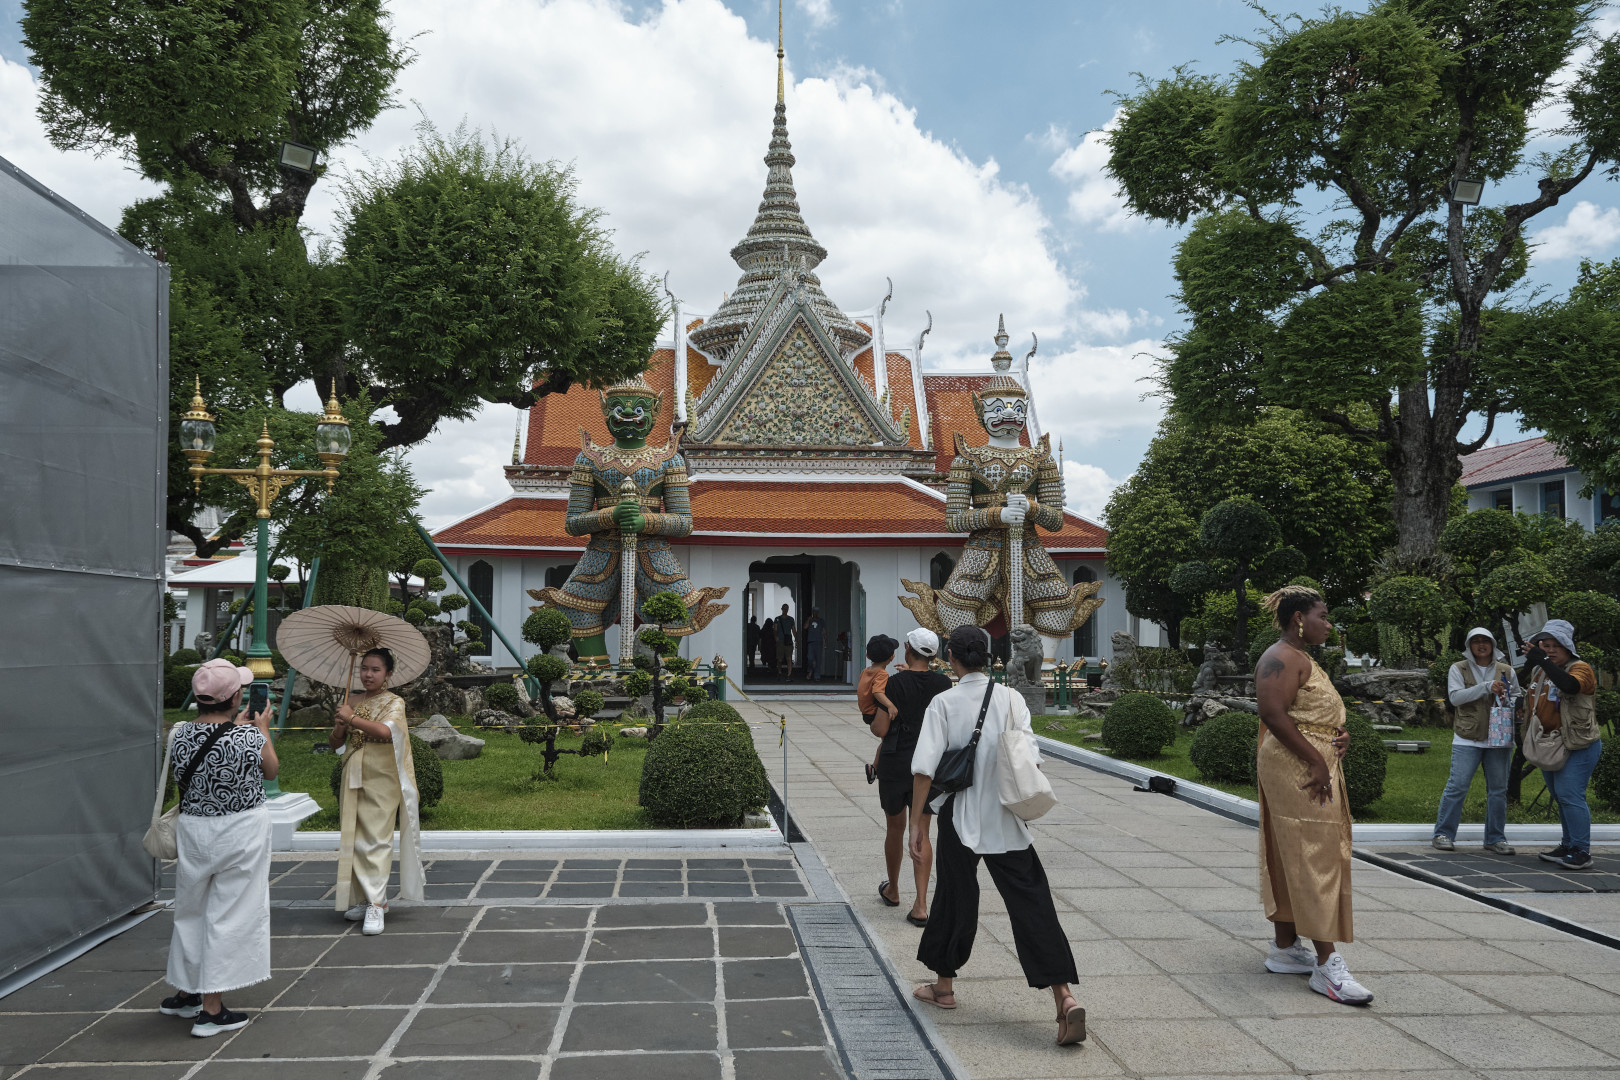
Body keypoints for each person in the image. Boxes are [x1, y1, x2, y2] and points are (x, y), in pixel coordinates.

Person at [908, 625, 1084, 1046]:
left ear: (950, 656)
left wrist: (917, 823)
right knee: (1033, 905)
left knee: (954, 899)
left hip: (961, 817)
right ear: (988, 656)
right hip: (1007, 818)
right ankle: (1063, 995)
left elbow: (924, 769)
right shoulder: (1012, 698)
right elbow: (1029, 757)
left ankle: (944, 987)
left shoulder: (944, 702)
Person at [1254, 586, 1370, 1006]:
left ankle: (1285, 948)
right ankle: (1327, 964)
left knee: (1295, 849)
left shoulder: (1301, 658)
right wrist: (1316, 762)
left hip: (1311, 762)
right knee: (1313, 853)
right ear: (1299, 618)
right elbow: (1272, 713)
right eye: (1323, 616)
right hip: (1298, 767)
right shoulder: (1280, 657)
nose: (1328, 623)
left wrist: (1337, 735)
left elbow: (1306, 713)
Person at [160, 659, 279, 1037]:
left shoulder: (178, 733)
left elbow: (207, 748)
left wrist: (239, 727)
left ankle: (187, 992)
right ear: (234, 696)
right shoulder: (248, 737)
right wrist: (262, 729)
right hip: (240, 831)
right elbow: (271, 771)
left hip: (195, 830)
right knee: (231, 913)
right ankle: (212, 1010)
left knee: (191, 910)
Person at [329, 647, 425, 934]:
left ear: (388, 674)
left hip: (383, 777)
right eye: (364, 669)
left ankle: (377, 903)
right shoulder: (350, 701)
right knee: (354, 836)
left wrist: (351, 719)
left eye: (375, 670)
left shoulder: (394, 702)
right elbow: (335, 745)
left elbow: (386, 732)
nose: (368, 675)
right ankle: (363, 898)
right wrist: (338, 727)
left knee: (377, 838)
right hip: (353, 772)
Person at [873, 628, 950, 927]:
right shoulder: (944, 683)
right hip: (929, 764)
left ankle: (893, 889)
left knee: (895, 827)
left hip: (896, 762)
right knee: (923, 830)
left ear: (908, 650)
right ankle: (921, 904)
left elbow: (880, 729)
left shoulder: (892, 684)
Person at [1519, 619, 1601, 870]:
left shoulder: (1581, 668)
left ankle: (1581, 850)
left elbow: (1570, 686)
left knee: (1570, 795)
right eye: (1545, 645)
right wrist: (1532, 662)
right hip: (1549, 743)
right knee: (1559, 796)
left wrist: (1541, 659)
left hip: (1578, 744)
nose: (1550, 650)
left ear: (1568, 647)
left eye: (1557, 645)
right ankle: (1567, 844)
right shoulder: (1540, 670)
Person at [1433, 628, 1519, 854]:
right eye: (1476, 641)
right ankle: (1443, 833)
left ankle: (1495, 838)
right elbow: (1455, 697)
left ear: (1493, 643)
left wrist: (1506, 698)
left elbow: (1517, 698)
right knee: (1457, 786)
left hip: (1499, 737)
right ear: (1469, 646)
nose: (1481, 645)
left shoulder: (1506, 671)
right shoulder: (1458, 668)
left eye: (1486, 641)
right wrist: (1485, 688)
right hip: (1466, 737)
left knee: (1498, 790)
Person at [858, 634, 899, 785]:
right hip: (874, 712)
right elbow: (877, 692)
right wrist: (890, 705)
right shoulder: (882, 673)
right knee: (888, 740)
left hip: (866, 713)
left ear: (867, 655)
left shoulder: (865, 671)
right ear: (892, 657)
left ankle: (874, 768)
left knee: (885, 741)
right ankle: (875, 767)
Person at [776, 604, 797, 681]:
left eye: (787, 609)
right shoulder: (777, 619)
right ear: (781, 609)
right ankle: (779, 672)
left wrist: (796, 639)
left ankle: (789, 674)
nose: (785, 610)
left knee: (789, 658)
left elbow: (794, 630)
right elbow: (775, 629)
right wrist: (775, 637)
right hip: (780, 641)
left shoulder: (791, 619)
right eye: (784, 609)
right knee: (780, 659)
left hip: (788, 641)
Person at [805, 609, 827, 681]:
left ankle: (816, 675)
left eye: (816, 611)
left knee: (818, 659)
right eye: (814, 611)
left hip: (819, 642)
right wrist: (808, 620)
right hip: (811, 642)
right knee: (810, 658)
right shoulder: (810, 620)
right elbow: (805, 627)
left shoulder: (821, 621)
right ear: (812, 612)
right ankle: (810, 670)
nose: (815, 613)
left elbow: (824, 632)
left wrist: (825, 641)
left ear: (818, 612)